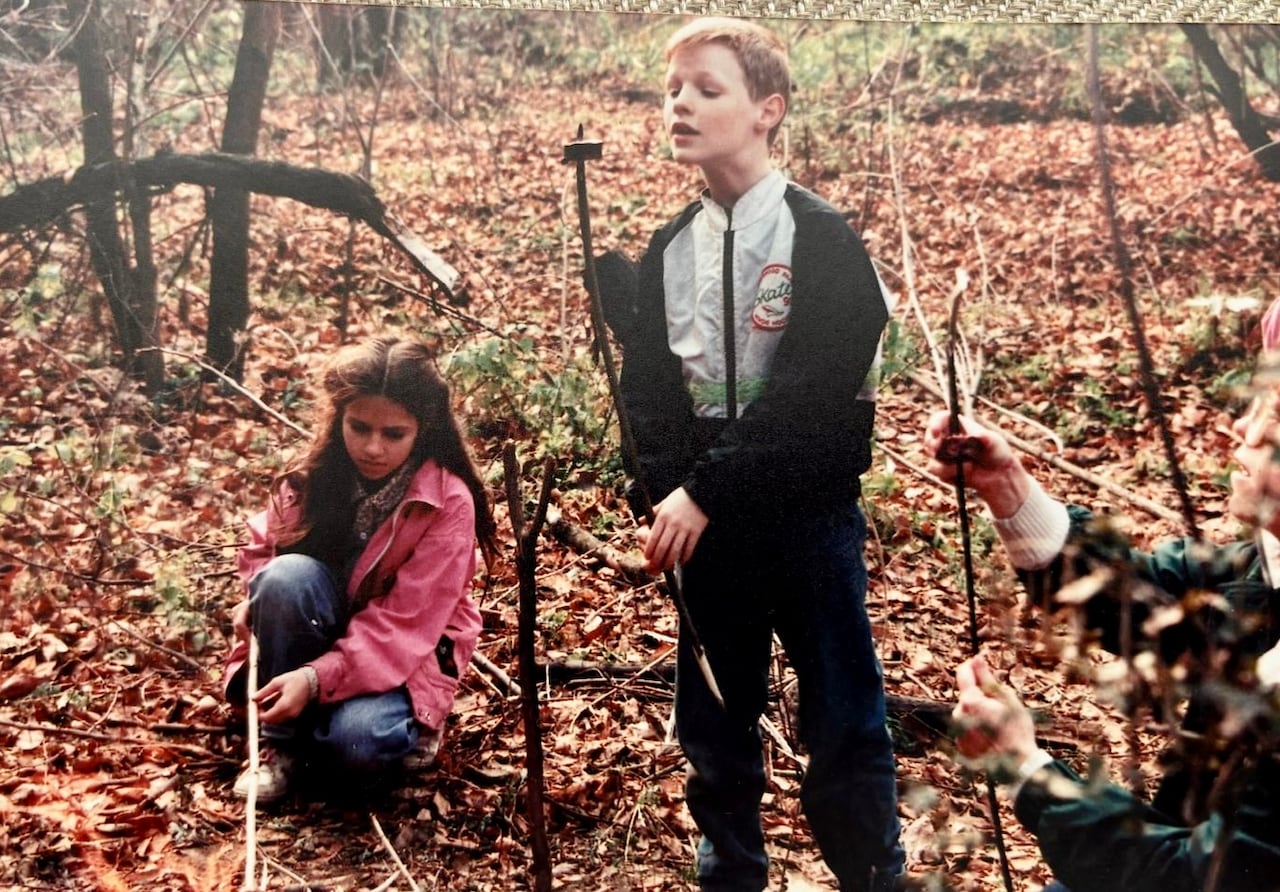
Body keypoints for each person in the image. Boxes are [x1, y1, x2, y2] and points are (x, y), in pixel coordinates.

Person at [616, 17, 904, 891]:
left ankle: (870, 869)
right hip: (708, 528)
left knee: (843, 715)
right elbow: (650, 394)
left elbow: (817, 396)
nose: (681, 106)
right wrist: (661, 491)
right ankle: (731, 861)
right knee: (713, 707)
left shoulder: (821, 238)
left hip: (807, 514)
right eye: (672, 91)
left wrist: (703, 490)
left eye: (707, 89)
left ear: (767, 110)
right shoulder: (670, 247)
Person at [925, 304, 1280, 890]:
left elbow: (1198, 876)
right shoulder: (1259, 573)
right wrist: (1006, 486)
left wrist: (1031, 771)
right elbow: (1139, 602)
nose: (1244, 426)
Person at [223, 335, 497, 802]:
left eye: (394, 434)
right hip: (327, 635)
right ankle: (280, 746)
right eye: (359, 427)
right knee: (285, 577)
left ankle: (388, 722)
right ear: (339, 419)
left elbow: (405, 625)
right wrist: (257, 599)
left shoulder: (447, 501)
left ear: (422, 430)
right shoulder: (312, 476)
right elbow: (264, 552)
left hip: (406, 652)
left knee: (356, 744)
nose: (373, 448)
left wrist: (312, 680)